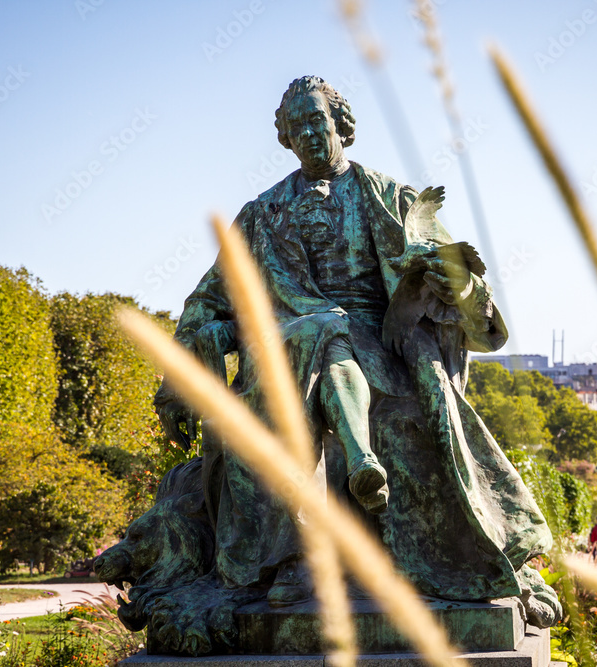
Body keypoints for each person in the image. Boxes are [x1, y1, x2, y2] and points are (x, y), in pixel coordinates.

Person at [152, 75, 560, 625]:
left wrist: (459, 285)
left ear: (341, 126)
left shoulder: (393, 198)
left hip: (387, 347)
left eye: (317, 123)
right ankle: (294, 551)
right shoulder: (261, 216)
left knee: (356, 355)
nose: (310, 136)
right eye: (297, 129)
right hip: (289, 349)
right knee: (316, 333)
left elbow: (474, 301)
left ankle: (351, 551)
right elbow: (206, 305)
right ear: (287, 141)